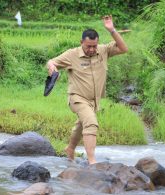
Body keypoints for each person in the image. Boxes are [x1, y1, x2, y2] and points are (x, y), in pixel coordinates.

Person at [46, 15, 128, 164]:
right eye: (88, 46)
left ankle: (70, 148)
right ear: (81, 42)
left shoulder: (103, 51)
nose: (91, 49)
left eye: (94, 46)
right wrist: (52, 68)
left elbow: (123, 48)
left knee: (82, 123)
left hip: (93, 101)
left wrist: (112, 30)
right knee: (90, 123)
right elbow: (52, 62)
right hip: (76, 98)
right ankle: (92, 161)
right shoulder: (72, 55)